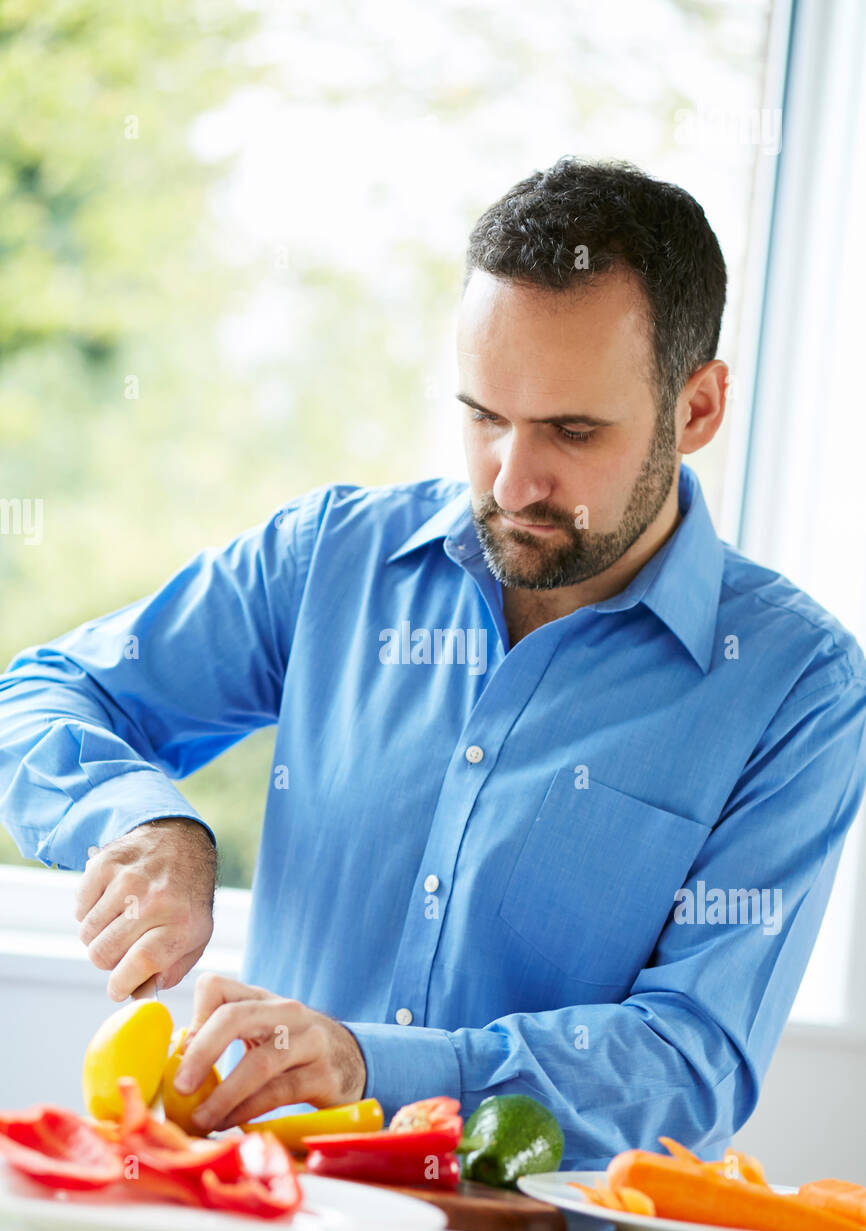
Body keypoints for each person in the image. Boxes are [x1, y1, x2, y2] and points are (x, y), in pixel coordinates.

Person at [2, 158, 864, 1166]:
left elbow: (691, 1061)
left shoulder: (795, 688)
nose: (510, 477)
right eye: (482, 414)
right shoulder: (331, 559)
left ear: (697, 410)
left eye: (570, 430)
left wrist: (376, 1067)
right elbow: (43, 694)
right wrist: (145, 818)